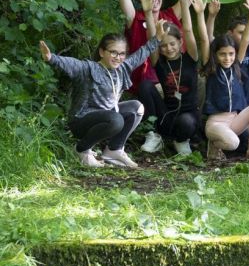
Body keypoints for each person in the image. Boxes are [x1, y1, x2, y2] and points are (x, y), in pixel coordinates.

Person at [104, 0, 209, 152]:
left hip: (174, 81)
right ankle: (156, 134)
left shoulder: (171, 15)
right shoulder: (136, 18)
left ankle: (192, 134)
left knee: (198, 84)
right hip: (148, 83)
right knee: (147, 86)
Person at [39, 23, 164, 168]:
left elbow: (141, 54)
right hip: (82, 121)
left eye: (122, 53)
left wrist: (158, 38)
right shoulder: (88, 68)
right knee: (116, 120)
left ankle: (114, 150)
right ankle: (82, 150)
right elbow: (71, 64)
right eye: (113, 52)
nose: (118, 57)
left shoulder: (122, 69)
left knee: (137, 108)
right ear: (102, 52)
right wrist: (51, 58)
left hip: (108, 116)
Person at [201, 0, 249, 161]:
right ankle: (214, 145)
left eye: (231, 54)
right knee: (233, 143)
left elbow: (245, 40)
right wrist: (209, 16)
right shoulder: (212, 69)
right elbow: (205, 38)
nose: (227, 58)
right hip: (216, 123)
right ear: (215, 55)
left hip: (234, 120)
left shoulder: (236, 65)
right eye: (222, 54)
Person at [143, 0, 201, 155]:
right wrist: (147, 13)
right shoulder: (159, 62)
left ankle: (180, 141)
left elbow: (189, 30)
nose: (168, 49)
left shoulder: (190, 57)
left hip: (188, 116)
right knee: (146, 85)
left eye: (172, 44)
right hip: (166, 115)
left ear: (180, 42)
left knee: (187, 122)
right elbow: (152, 39)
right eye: (164, 46)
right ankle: (155, 136)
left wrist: (184, 0)